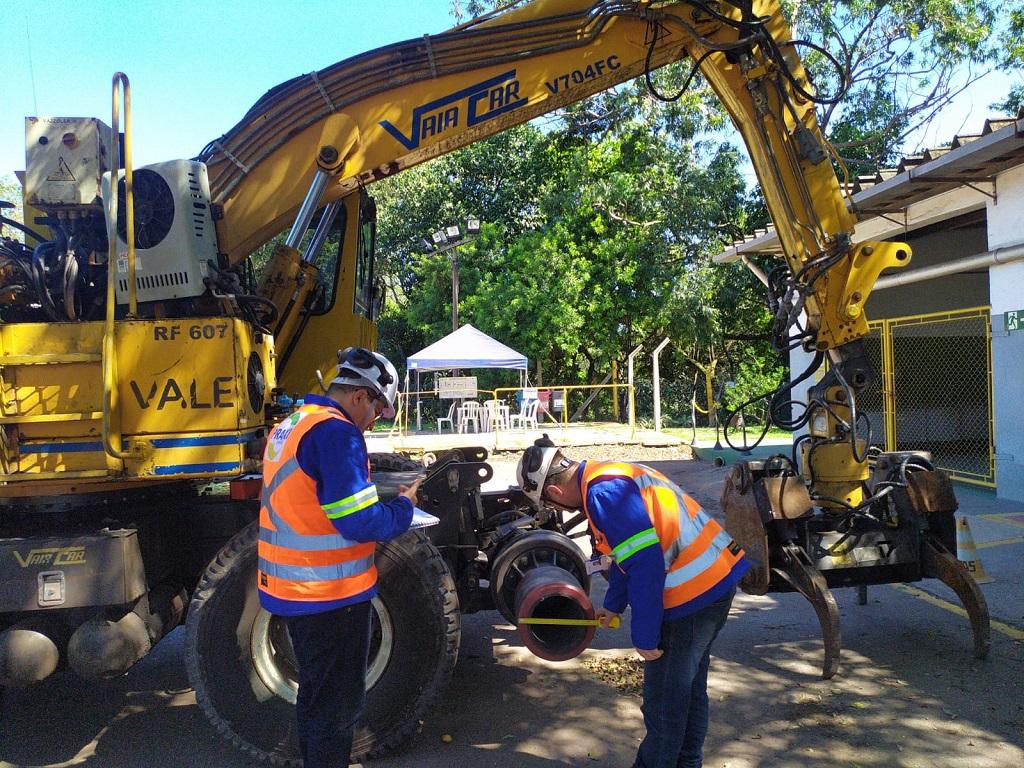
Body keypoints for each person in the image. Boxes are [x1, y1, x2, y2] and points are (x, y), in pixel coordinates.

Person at [517, 436, 749, 768]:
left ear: (553, 492)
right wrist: (613, 605)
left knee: (664, 702)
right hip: (714, 581)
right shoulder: (605, 475)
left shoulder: (603, 495)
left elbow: (646, 564)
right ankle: (687, 763)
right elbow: (626, 555)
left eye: (549, 505)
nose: (554, 510)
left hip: (694, 595)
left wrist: (645, 635)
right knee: (687, 690)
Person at [258, 346, 420, 768]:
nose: (373, 421)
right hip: (329, 597)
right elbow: (360, 522)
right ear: (361, 396)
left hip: (296, 591)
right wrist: (404, 508)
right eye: (378, 410)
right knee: (338, 709)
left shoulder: (292, 424)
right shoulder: (336, 432)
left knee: (315, 693)